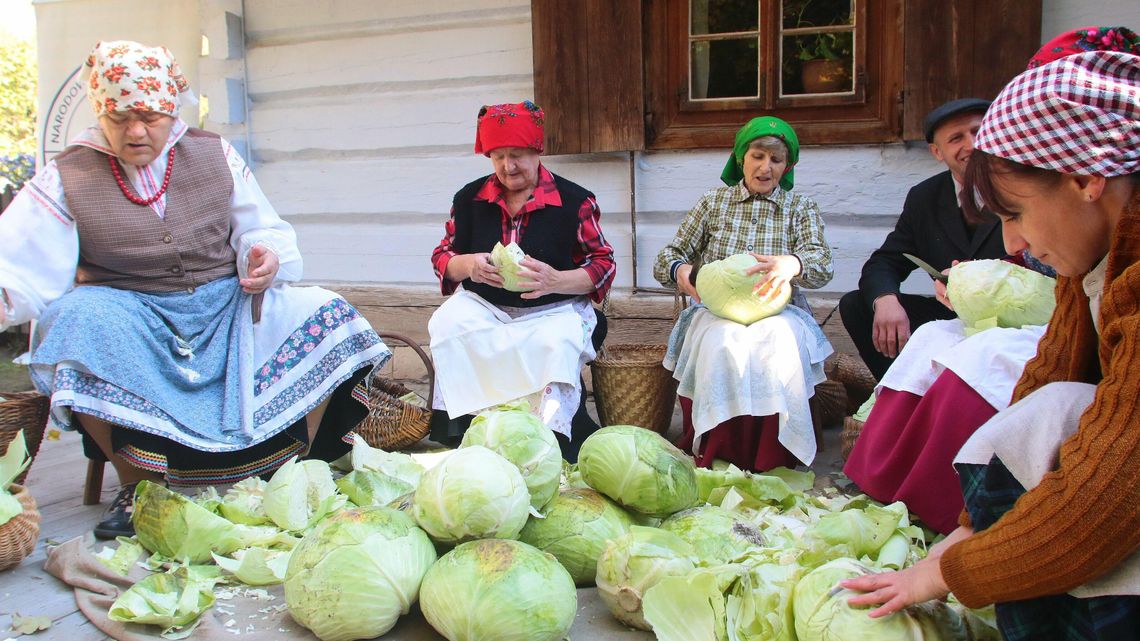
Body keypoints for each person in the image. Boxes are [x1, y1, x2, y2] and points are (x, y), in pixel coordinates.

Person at [0, 41, 391, 538]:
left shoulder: (213, 154)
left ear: (172, 109)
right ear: (100, 112)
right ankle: (139, 488)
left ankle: (293, 466)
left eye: (150, 115)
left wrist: (264, 255)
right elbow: (20, 265)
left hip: (224, 301)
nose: (136, 130)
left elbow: (261, 228)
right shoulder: (69, 173)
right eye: (119, 117)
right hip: (131, 310)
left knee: (326, 311)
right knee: (75, 322)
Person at [843, 50, 1140, 639]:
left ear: (1085, 179)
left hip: (1115, 506)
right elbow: (1040, 392)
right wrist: (968, 531)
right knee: (1046, 410)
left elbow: (1108, 494)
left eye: (1017, 214)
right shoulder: (1091, 269)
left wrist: (949, 572)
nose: (1012, 244)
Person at [427, 100, 615, 462]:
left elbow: (603, 264)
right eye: (497, 156)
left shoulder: (575, 201)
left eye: (517, 155)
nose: (507, 166)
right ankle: (472, 431)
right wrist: (466, 265)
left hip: (553, 309)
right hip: (487, 307)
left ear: (536, 151)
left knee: (555, 341)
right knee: (448, 323)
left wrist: (556, 279)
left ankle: (547, 439)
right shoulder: (468, 199)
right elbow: (442, 256)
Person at [653, 116, 833, 472]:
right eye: (757, 156)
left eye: (776, 160)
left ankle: (775, 453)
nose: (765, 167)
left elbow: (822, 263)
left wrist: (793, 264)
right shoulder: (713, 202)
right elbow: (667, 257)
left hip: (779, 311)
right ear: (740, 158)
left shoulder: (800, 208)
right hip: (717, 310)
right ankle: (719, 447)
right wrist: (682, 271)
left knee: (777, 343)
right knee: (721, 343)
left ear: (788, 166)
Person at [839, 97, 1006, 381]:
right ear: (937, 152)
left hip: (1011, 321)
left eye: (979, 131)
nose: (972, 144)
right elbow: (886, 261)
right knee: (857, 305)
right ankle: (901, 397)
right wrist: (885, 299)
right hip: (951, 319)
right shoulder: (925, 197)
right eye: (956, 138)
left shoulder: (1021, 186)